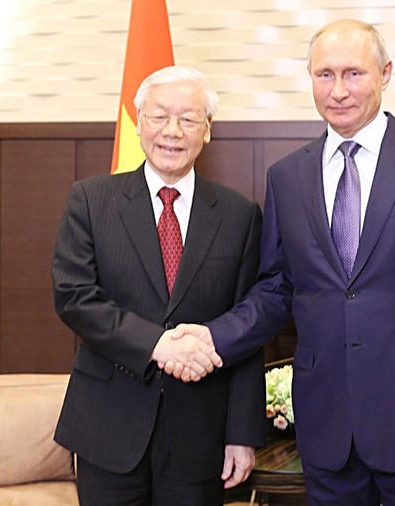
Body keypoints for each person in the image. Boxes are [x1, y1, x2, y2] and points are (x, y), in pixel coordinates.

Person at [173, 18, 395, 505]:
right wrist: (211, 335)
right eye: (324, 75)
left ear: (385, 74)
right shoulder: (287, 176)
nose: (339, 90)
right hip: (328, 426)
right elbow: (278, 289)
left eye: (354, 73)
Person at [51, 65, 265, 506]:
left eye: (188, 119)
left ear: (207, 131)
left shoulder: (239, 216)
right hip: (107, 427)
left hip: (200, 435)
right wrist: (157, 345)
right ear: (138, 122)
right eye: (159, 116)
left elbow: (248, 328)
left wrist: (242, 434)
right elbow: (74, 297)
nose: (172, 131)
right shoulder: (90, 200)